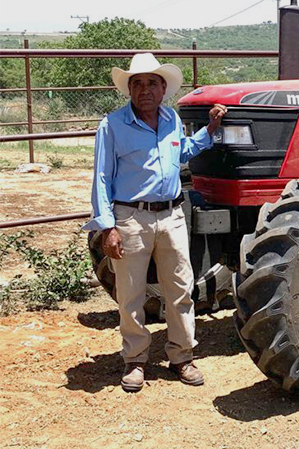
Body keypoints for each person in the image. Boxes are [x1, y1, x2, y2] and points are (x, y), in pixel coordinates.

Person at [82, 53, 227, 392]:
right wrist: (108, 227)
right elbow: (102, 178)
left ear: (164, 88)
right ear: (129, 89)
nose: (144, 89)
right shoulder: (113, 125)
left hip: (173, 216)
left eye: (152, 83)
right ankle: (135, 361)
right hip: (131, 217)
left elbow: (183, 152)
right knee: (130, 292)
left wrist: (210, 130)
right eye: (137, 83)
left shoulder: (171, 119)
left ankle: (182, 356)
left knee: (180, 288)